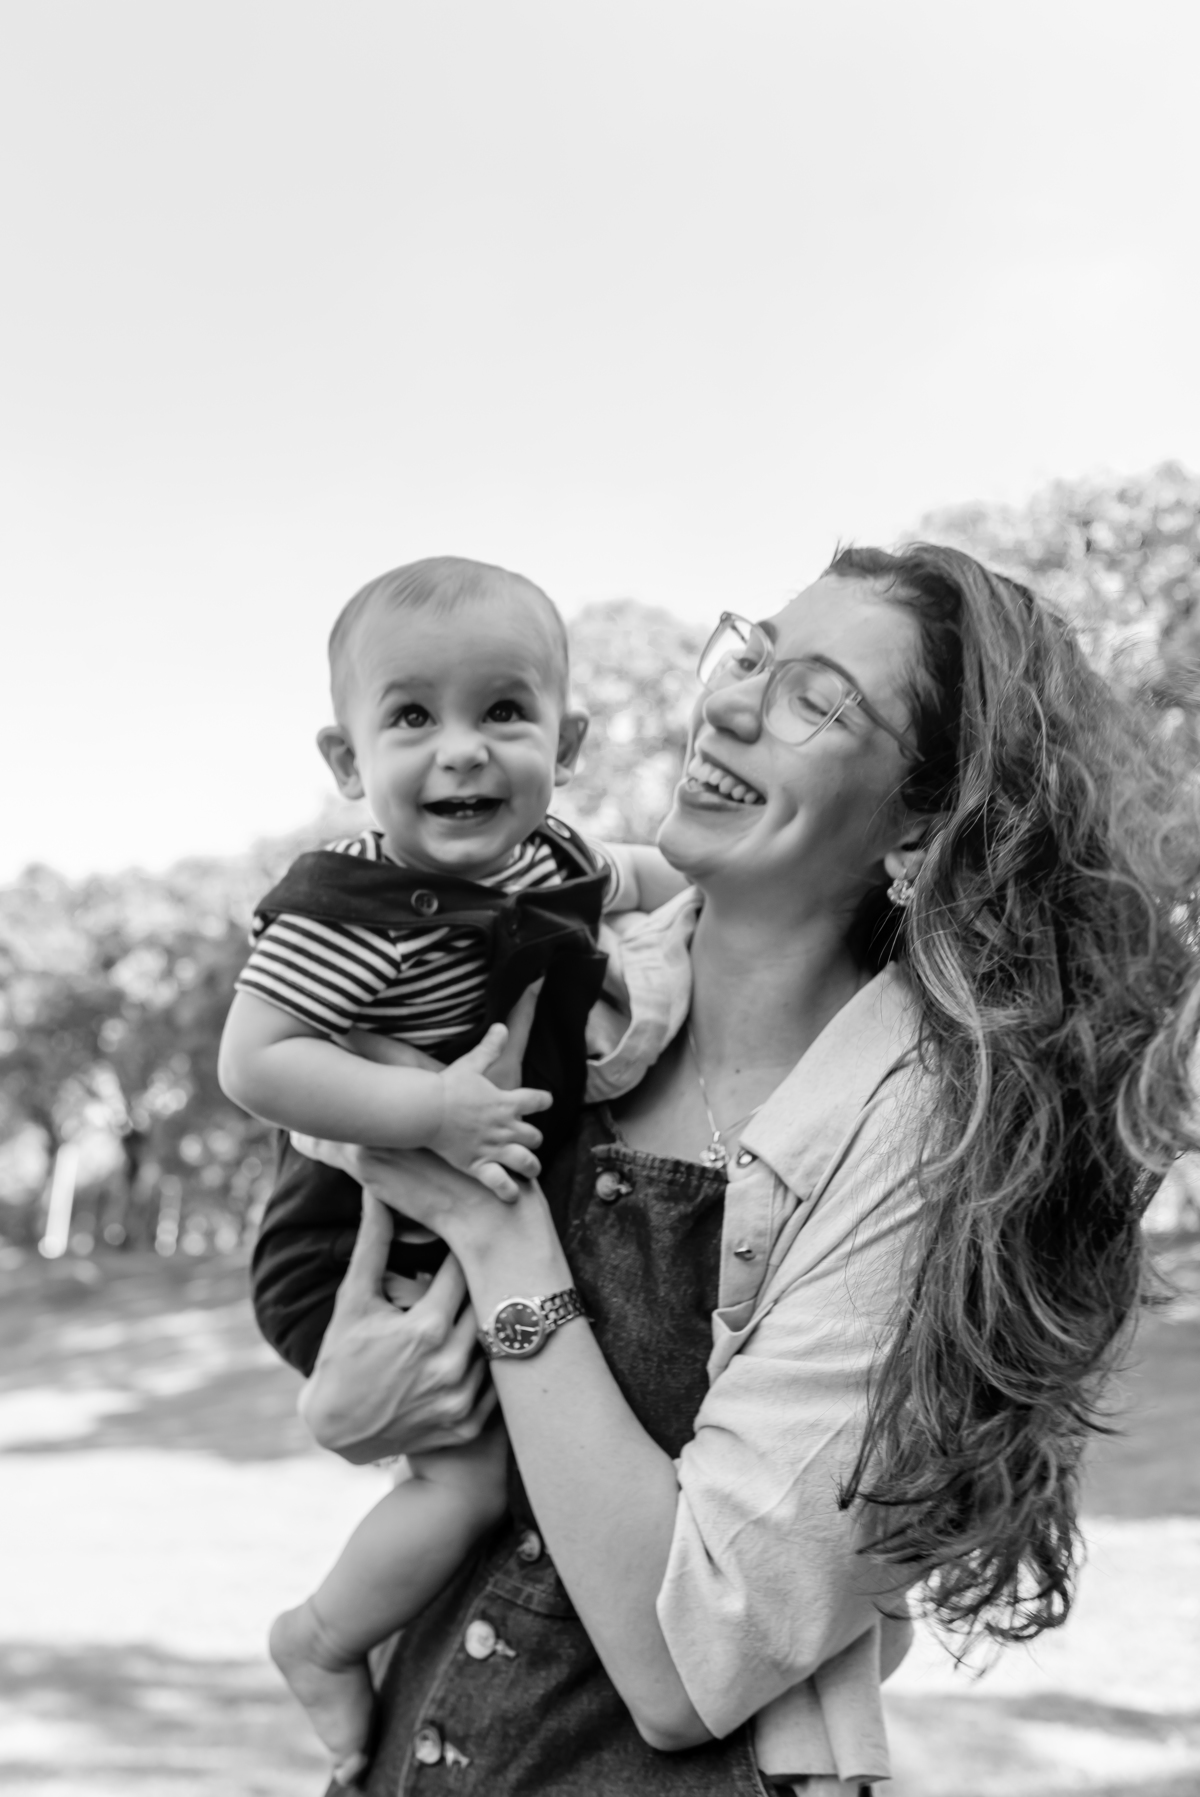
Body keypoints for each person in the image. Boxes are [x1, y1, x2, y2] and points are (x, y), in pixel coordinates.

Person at [276, 544, 1200, 1795]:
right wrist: (347, 1405)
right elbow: (345, 1256)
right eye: (753, 652)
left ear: (927, 811)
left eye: (819, 698)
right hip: (414, 1748)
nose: (726, 702)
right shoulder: (569, 972)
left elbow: (687, 1655)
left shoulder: (927, 1136)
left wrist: (496, 1237)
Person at [218, 556, 685, 1780]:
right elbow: (256, 1062)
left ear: (566, 740)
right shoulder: (349, 905)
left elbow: (647, 873)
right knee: (470, 1485)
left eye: (504, 711)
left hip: (455, 1232)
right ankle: (320, 1640)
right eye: (413, 716)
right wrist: (431, 1106)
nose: (463, 750)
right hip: (349, 1247)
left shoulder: (556, 859)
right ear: (345, 761)